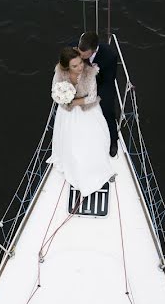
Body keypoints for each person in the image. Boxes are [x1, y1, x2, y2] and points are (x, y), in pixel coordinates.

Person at [47, 47, 115, 198]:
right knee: (70, 143)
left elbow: (92, 97)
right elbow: (54, 92)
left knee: (91, 141)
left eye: (80, 63)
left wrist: (73, 102)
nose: (79, 68)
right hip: (67, 114)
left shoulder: (90, 73)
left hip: (87, 111)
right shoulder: (59, 72)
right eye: (75, 66)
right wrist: (63, 100)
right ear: (66, 66)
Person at [77, 32, 119, 157]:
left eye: (84, 55)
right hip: (81, 82)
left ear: (94, 51)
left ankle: (113, 140)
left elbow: (108, 80)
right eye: (79, 52)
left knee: (107, 109)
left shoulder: (110, 56)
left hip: (101, 84)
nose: (81, 56)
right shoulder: (73, 47)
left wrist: (95, 94)